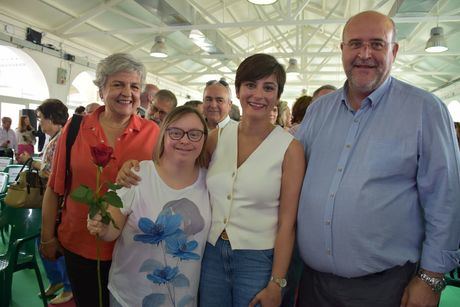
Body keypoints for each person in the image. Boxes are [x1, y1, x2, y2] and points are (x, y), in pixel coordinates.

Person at [296, 11, 460, 307]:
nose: (365, 54)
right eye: (355, 44)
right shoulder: (319, 112)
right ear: (342, 50)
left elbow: (445, 199)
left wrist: (432, 278)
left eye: (377, 44)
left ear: (394, 51)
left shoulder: (425, 110)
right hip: (313, 285)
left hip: (386, 288)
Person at [40, 53, 160, 307]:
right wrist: (47, 237)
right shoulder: (77, 128)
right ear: (102, 89)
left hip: (132, 249)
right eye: (118, 84)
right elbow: (55, 187)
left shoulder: (153, 133)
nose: (127, 92)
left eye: (134, 86)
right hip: (80, 244)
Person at [200, 53, 305, 307]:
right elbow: (184, 176)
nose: (258, 95)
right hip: (211, 253)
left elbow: (287, 223)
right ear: (238, 91)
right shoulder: (216, 137)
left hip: (258, 259)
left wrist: (277, 282)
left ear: (278, 97)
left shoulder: (290, 149)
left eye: (268, 88)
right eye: (250, 85)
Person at [87, 106, 211, 307]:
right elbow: (111, 231)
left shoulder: (210, 181)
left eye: (194, 134)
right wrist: (101, 224)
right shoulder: (138, 174)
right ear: (163, 135)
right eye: (176, 132)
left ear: (205, 138)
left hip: (182, 300)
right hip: (130, 298)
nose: (185, 140)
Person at [18, 99, 73, 305]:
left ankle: (68, 286)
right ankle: (58, 280)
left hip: (59, 203)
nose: (39, 123)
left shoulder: (60, 140)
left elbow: (53, 172)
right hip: (53, 200)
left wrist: (32, 163)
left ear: (52, 118)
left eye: (41, 119)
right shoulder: (57, 138)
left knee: (57, 242)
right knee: (43, 240)